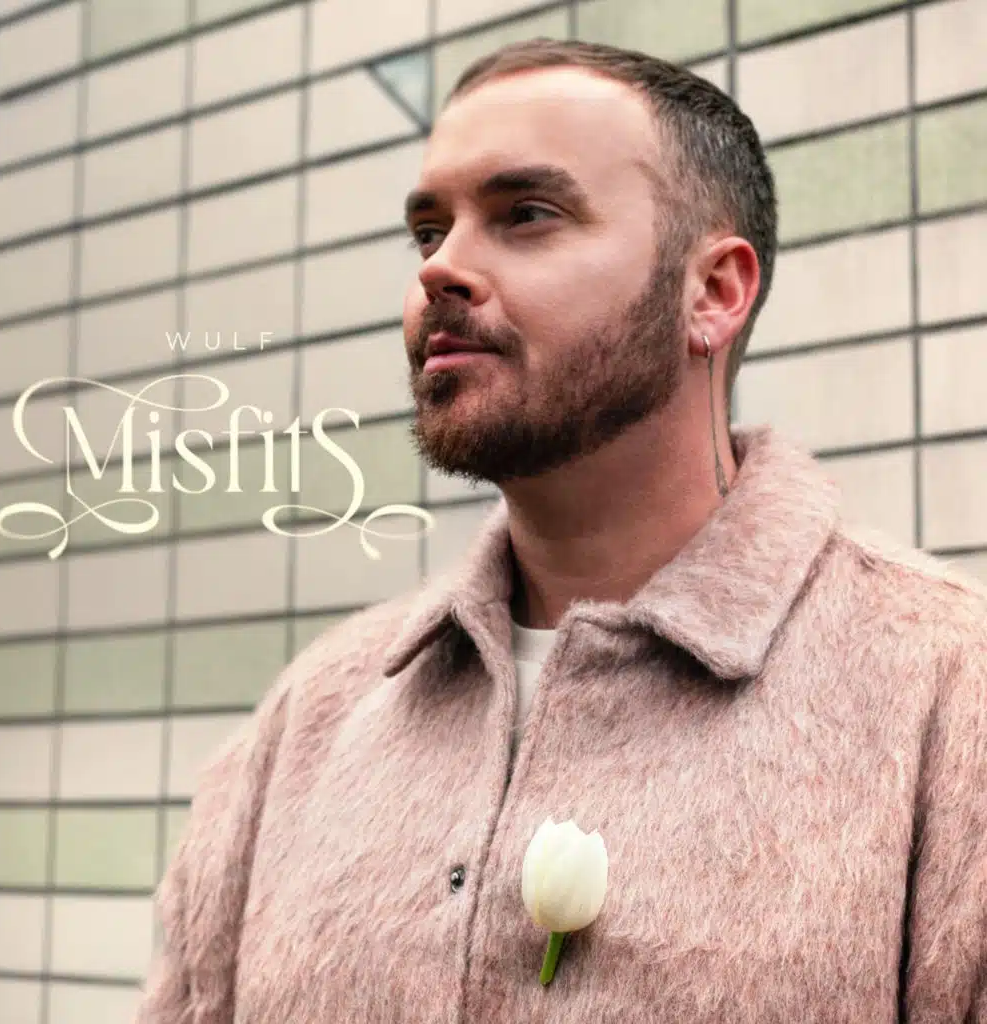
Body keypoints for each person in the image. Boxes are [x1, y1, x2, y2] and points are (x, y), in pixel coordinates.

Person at [134, 39, 987, 1024]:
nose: (442, 268)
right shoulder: (307, 723)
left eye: (526, 214)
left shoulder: (948, 698)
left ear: (712, 292)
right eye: (428, 231)